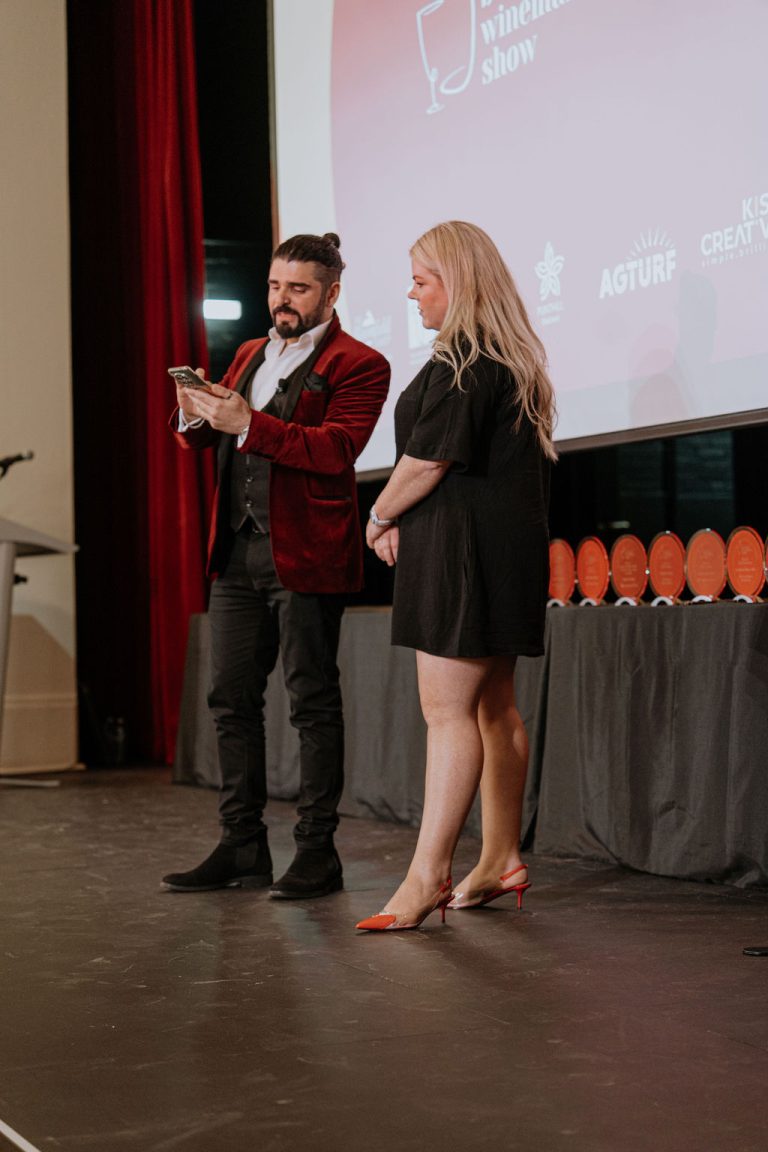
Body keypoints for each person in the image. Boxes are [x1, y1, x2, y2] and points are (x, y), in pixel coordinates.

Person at [162, 233, 390, 899]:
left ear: (331, 293)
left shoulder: (361, 363)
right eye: (273, 286)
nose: (281, 300)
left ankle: (317, 852)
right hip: (238, 552)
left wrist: (246, 422)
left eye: (297, 288)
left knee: (311, 700)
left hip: (308, 555)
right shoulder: (249, 353)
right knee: (230, 697)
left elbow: (336, 450)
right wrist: (195, 416)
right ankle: (242, 844)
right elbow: (212, 437)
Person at [355, 221, 556, 932]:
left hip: (463, 555)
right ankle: (500, 858)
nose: (411, 294)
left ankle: (426, 877)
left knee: (448, 715)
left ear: (458, 283)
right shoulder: (506, 356)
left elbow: (428, 460)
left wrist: (380, 514)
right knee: (493, 706)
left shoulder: (465, 361)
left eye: (421, 281)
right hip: (496, 550)